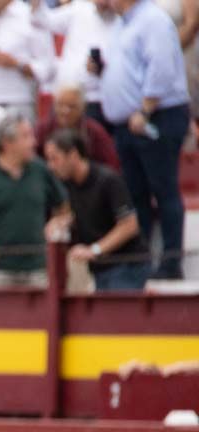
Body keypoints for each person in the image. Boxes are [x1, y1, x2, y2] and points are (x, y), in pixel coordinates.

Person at [102, 0, 191, 280]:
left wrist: (145, 108)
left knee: (163, 190)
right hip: (129, 121)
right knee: (135, 193)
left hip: (155, 116)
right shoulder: (121, 24)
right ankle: (140, 261)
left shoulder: (152, 19)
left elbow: (162, 67)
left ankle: (171, 262)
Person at [0, 113, 71, 286]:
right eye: (26, 136)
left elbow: (64, 208)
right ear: (6, 143)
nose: (33, 142)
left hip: (38, 268)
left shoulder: (40, 170)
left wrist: (59, 222)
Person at [44, 128, 149, 290]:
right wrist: (62, 222)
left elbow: (129, 225)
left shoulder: (108, 180)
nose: (51, 166)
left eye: (54, 159)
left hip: (126, 265)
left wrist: (95, 249)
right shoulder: (69, 184)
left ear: (73, 155)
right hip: (101, 268)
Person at [30, 0, 119, 125]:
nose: (102, 3)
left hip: (98, 101)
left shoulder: (124, 22)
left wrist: (102, 69)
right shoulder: (79, 10)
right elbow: (42, 20)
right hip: (65, 96)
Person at [35, 84, 120, 171]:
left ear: (82, 108)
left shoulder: (94, 131)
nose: (65, 111)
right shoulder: (44, 128)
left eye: (72, 106)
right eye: (60, 105)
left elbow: (112, 166)